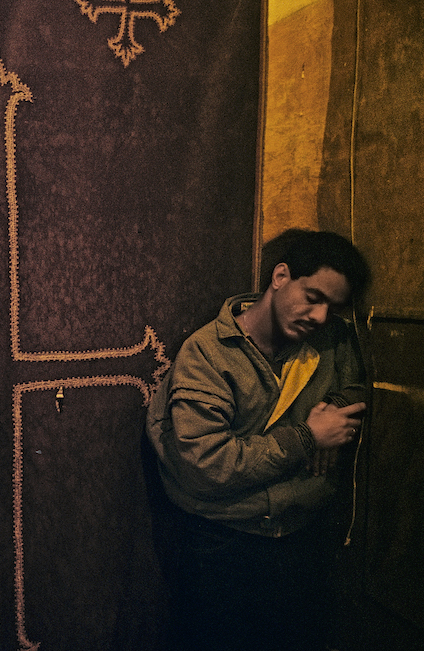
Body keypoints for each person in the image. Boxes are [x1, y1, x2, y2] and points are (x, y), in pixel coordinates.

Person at [146, 229, 371, 651]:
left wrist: (332, 407)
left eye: (332, 306)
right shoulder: (208, 353)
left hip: (302, 539)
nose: (320, 316)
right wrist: (309, 437)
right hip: (227, 546)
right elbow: (206, 465)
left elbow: (358, 387)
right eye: (313, 297)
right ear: (280, 276)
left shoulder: (330, 338)